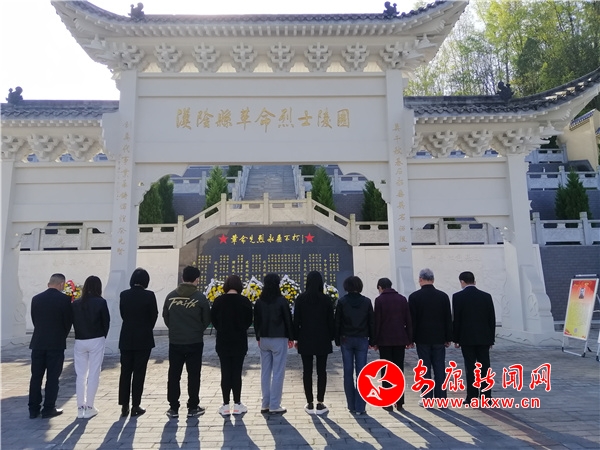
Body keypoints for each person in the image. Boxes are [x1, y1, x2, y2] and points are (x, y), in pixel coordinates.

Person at [163, 265, 211, 419]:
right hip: (194, 341)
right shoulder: (200, 298)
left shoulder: (171, 296)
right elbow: (206, 319)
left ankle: (173, 407)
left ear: (182, 278)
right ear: (197, 279)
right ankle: (193, 406)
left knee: (174, 374)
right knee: (194, 375)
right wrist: (197, 330)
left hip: (175, 341)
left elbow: (166, 317)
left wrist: (175, 329)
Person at [28, 273, 73, 419]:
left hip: (38, 342)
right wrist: (61, 335)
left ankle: (33, 409)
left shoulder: (36, 299)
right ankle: (48, 408)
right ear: (61, 284)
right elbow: (67, 322)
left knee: (36, 377)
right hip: (56, 343)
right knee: (53, 378)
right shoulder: (65, 300)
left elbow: (35, 320)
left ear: (49, 283)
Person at [210, 275, 253, 416]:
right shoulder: (244, 301)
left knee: (225, 372)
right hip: (239, 341)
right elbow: (249, 321)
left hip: (223, 341)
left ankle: (225, 405)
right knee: (236, 372)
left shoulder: (218, 301)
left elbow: (214, 320)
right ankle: (238, 403)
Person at [118, 268, 159, 417]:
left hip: (126, 337)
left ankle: (124, 405)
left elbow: (123, 314)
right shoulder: (149, 295)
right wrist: (146, 327)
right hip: (143, 338)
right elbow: (154, 315)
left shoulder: (124, 294)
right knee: (139, 372)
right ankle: (136, 405)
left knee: (125, 372)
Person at [293, 271, 335, 415]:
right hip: (323, 338)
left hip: (305, 338)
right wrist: (332, 337)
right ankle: (320, 402)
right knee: (322, 371)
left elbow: (296, 321)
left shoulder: (301, 298)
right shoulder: (326, 299)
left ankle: (309, 402)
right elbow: (331, 321)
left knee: (307, 371)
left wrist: (296, 338)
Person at [408, 268, 452, 403]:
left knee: (424, 368)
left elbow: (412, 320)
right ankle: (441, 398)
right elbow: (448, 318)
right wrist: (448, 337)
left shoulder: (414, 297)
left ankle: (427, 398)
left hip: (422, 338)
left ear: (420, 279)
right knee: (439, 367)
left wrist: (411, 339)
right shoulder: (443, 296)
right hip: (439, 337)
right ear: (433, 280)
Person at [452, 271, 496, 403]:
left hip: (466, 338)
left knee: (470, 367)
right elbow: (491, 319)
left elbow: (457, 320)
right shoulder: (486, 296)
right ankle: (486, 396)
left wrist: (456, 339)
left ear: (462, 282)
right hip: (484, 337)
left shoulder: (457, 297)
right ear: (474, 281)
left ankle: (471, 396)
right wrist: (491, 338)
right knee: (485, 366)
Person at [254, 273, 294, 415]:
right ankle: (275, 404)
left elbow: (256, 321)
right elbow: (288, 320)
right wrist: (291, 337)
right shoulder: (282, 301)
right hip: (279, 338)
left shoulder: (259, 301)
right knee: (278, 372)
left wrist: (258, 337)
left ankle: (265, 403)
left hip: (264, 339)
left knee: (265, 372)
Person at [334, 275, 374, 415]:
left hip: (346, 339)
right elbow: (371, 322)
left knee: (348, 372)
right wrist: (372, 340)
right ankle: (360, 407)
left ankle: (351, 405)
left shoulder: (342, 302)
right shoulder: (367, 302)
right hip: (362, 339)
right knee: (362, 373)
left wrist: (337, 340)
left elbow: (337, 322)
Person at [72, 275, 110, 419]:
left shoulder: (76, 303)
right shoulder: (101, 302)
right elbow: (106, 321)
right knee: (94, 373)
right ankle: (89, 406)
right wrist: (103, 336)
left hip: (80, 339)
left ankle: (80, 407)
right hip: (97, 338)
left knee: (80, 375)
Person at [373, 277, 412, 412]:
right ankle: (399, 402)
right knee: (399, 370)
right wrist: (409, 339)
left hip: (384, 340)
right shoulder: (402, 299)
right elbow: (408, 320)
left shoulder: (379, 300)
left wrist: (374, 341)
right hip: (400, 339)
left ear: (380, 287)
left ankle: (388, 401)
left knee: (386, 370)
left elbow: (377, 322)